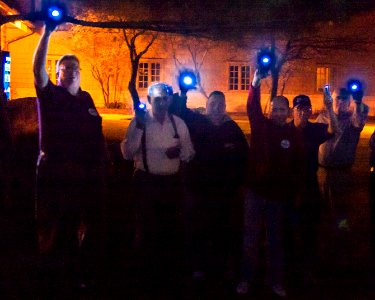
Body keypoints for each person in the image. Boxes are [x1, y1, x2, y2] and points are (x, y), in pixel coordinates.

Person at [33, 24, 108, 295]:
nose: (71, 71)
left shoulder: (86, 98)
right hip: (58, 176)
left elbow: (96, 134)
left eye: (75, 68)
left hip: (87, 177)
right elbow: (37, 70)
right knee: (58, 228)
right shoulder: (51, 95)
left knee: (86, 226)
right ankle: (53, 279)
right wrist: (47, 33)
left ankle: (80, 274)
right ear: (57, 73)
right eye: (65, 68)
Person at [236, 70, 304, 298]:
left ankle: (275, 281)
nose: (277, 113)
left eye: (281, 110)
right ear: (269, 110)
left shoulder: (293, 134)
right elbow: (252, 106)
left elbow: (297, 166)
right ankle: (246, 279)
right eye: (274, 109)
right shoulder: (260, 125)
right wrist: (255, 83)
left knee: (276, 240)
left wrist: (295, 193)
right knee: (250, 239)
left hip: (278, 196)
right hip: (255, 193)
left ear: (288, 112)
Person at [121, 82, 195, 290]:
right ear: (150, 100)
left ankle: (167, 276)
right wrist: (138, 127)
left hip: (171, 184)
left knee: (170, 229)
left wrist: (181, 152)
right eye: (157, 99)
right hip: (146, 182)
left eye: (165, 98)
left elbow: (190, 152)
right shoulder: (140, 122)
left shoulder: (178, 124)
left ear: (170, 100)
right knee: (146, 230)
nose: (161, 103)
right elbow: (127, 153)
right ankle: (145, 277)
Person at [288, 93, 337, 285]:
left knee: (310, 230)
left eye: (306, 109)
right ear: (293, 110)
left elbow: (334, 130)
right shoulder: (285, 130)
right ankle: (290, 268)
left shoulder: (314, 130)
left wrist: (329, 108)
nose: (302, 112)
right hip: (289, 189)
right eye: (299, 109)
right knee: (289, 230)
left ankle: (308, 268)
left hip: (310, 187)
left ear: (309, 111)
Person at [317, 87, 369, 231]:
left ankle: (341, 231)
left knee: (341, 205)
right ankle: (324, 230)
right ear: (331, 100)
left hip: (342, 172)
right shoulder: (322, 118)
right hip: (321, 170)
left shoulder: (352, 120)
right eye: (337, 98)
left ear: (349, 102)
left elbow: (360, 119)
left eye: (344, 98)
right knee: (322, 203)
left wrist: (358, 102)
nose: (340, 101)